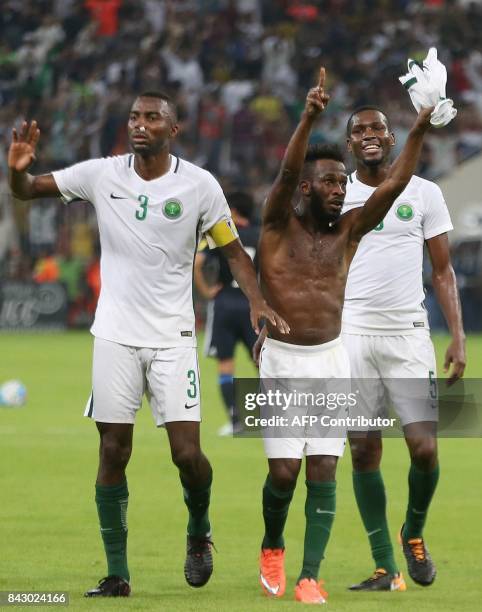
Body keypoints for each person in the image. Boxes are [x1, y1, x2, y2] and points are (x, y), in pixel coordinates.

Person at [8, 91, 288, 598]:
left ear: (172, 130)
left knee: (188, 455)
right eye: (135, 116)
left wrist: (256, 300)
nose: (140, 124)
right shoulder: (102, 173)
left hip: (173, 338)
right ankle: (118, 574)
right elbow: (27, 190)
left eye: (152, 117)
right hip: (114, 335)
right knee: (113, 450)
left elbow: (233, 253)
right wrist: (16, 171)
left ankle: (199, 528)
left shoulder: (199, 185)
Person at [254, 68, 435, 604]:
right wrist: (309, 117)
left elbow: (397, 183)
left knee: (326, 469)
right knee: (284, 474)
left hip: (334, 358)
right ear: (306, 188)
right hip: (283, 363)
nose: (340, 191)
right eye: (329, 183)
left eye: (342, 183)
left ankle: (311, 575)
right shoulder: (276, 222)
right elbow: (287, 173)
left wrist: (421, 126)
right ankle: (272, 545)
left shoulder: (351, 229)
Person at [343, 105, 466, 592]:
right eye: (359, 130)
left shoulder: (424, 192)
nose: (369, 135)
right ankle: (383, 566)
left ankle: (412, 532)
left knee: (425, 447)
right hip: (351, 331)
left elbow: (442, 271)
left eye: (376, 128)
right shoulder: (339, 193)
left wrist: (456, 336)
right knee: (363, 449)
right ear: (350, 142)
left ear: (392, 138)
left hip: (409, 335)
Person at [194, 191, 259, 436]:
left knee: (225, 365)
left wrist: (207, 291)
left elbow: (197, 263)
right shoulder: (262, 234)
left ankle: (235, 421)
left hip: (224, 306)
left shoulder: (222, 232)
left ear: (233, 210)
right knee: (264, 364)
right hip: (253, 306)